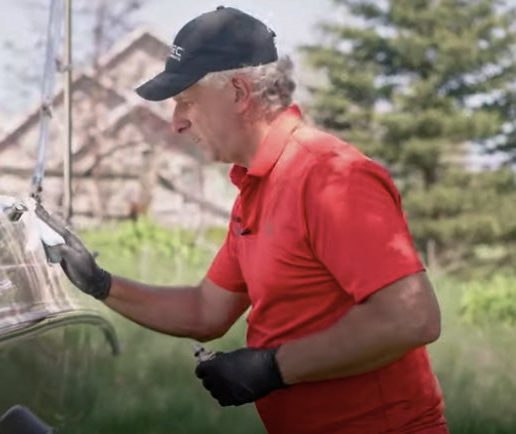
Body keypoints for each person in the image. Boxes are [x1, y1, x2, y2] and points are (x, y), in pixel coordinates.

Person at [35, 6, 448, 434]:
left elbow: (412, 317)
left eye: (185, 100)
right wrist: (101, 283)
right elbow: (205, 311)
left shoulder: (329, 175)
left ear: (237, 92)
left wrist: (274, 367)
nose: (176, 123)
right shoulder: (258, 188)